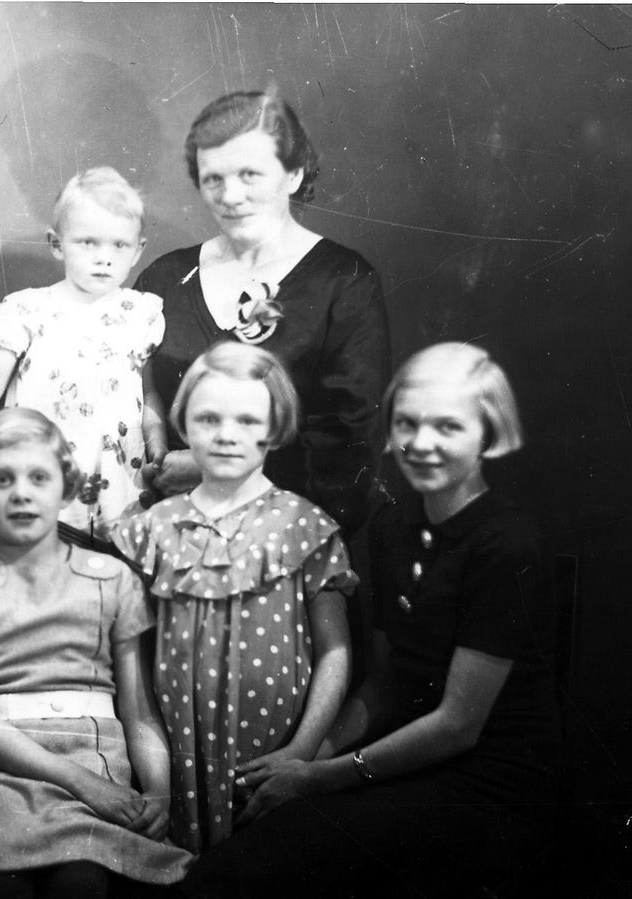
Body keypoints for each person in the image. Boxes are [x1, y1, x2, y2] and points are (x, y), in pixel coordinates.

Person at [177, 343, 561, 897]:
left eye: (448, 427)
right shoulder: (393, 527)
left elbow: (458, 723)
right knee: (235, 858)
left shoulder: (506, 544)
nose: (421, 443)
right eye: (407, 423)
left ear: (489, 434)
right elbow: (382, 686)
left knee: (255, 873)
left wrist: (319, 777)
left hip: (491, 786)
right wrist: (303, 757)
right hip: (400, 762)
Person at [0, 408, 192, 898]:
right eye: (2, 479)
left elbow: (139, 712)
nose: (21, 493)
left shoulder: (112, 579)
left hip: (96, 764)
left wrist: (158, 792)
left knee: (81, 883)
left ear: (67, 487)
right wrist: (85, 786)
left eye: (38, 477)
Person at [111, 342, 355, 853]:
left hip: (276, 759)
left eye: (247, 420)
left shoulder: (304, 526)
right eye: (209, 418)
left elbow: (336, 651)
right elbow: (134, 685)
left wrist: (302, 750)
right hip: (179, 763)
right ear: (184, 423)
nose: (226, 434)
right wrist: (156, 784)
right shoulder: (149, 532)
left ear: (276, 426)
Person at [134, 90, 390, 534]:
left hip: (286, 541)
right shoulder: (164, 278)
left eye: (249, 174)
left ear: (293, 174)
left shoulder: (344, 281)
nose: (230, 196)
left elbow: (351, 449)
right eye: (213, 179)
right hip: (165, 538)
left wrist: (215, 468)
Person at [0, 167, 167, 546]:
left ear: (138, 249)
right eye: (88, 243)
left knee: (109, 570)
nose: (104, 259)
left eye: (119, 246)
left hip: (119, 482)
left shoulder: (143, 313)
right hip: (37, 476)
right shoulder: (26, 310)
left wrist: (158, 446)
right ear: (57, 244)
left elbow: (147, 392)